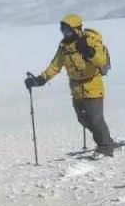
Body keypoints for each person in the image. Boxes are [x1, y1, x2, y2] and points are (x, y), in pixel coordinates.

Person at [24, 14, 115, 157]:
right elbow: (55, 66)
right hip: (76, 88)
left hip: (93, 85)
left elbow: (101, 61)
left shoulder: (90, 41)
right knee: (83, 119)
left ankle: (105, 147)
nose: (65, 33)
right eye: (63, 30)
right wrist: (40, 79)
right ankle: (106, 140)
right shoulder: (64, 47)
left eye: (67, 30)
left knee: (95, 119)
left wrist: (89, 52)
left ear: (76, 29)